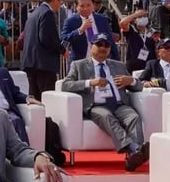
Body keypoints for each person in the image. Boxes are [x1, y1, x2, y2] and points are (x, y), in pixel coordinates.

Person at [63, 33, 149, 171]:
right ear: (91, 47)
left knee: (133, 116)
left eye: (106, 45)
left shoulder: (118, 65)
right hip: (96, 105)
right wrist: (90, 82)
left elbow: (138, 87)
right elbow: (65, 85)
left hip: (119, 104)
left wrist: (131, 80)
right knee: (107, 116)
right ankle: (134, 149)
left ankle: (133, 157)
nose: (103, 48)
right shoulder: (79, 65)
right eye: (99, 44)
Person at [21, 0, 64, 96]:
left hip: (30, 63)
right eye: (60, 1)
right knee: (47, 99)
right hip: (44, 65)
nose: (60, 4)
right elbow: (46, 38)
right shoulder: (47, 13)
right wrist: (62, 50)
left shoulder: (35, 12)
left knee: (34, 99)